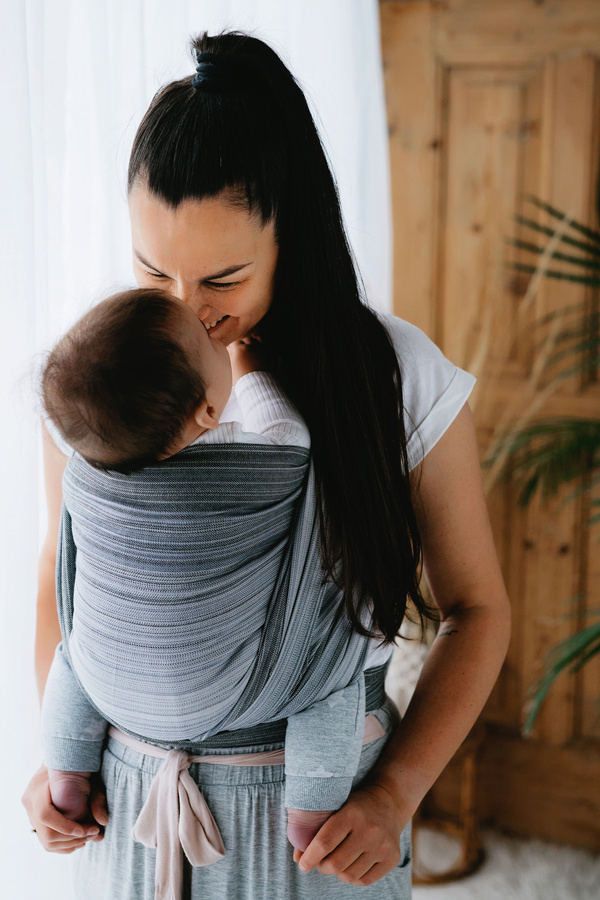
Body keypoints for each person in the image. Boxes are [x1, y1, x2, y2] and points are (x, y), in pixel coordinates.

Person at [22, 30, 511, 899]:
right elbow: (65, 584)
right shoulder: (104, 377)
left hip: (321, 812)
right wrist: (60, 762)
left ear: (296, 237)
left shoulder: (396, 377)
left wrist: (396, 793)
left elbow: (477, 610)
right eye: (151, 268)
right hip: (131, 802)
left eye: (223, 279)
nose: (186, 313)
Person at [39, 285, 377, 857]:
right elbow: (288, 432)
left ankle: (65, 775)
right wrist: (251, 364)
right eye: (208, 342)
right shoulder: (261, 465)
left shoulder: (87, 473)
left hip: (112, 685)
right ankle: (311, 809)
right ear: (208, 411)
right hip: (244, 687)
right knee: (332, 673)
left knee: (74, 655)